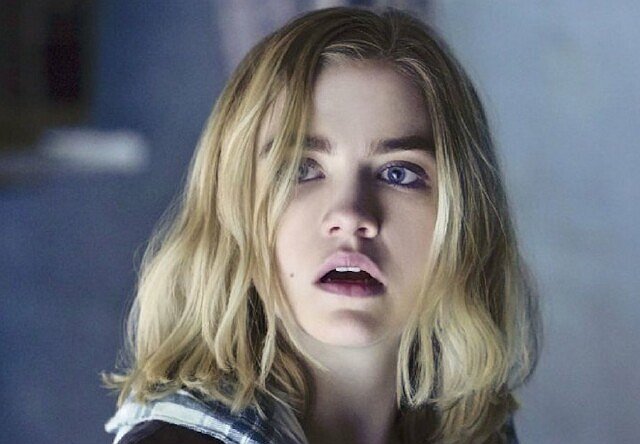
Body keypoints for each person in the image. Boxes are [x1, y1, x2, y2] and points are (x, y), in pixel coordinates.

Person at [103, 6, 541, 444]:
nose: (351, 215)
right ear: (232, 204)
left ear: (465, 213)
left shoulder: (481, 433)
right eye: (301, 169)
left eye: (398, 173)